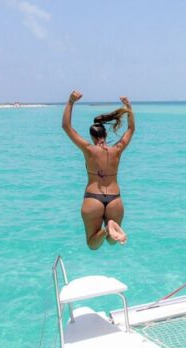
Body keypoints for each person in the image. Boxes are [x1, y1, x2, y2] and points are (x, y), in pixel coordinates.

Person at [62, 90, 135, 249]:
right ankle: (110, 226)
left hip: (93, 198)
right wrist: (128, 107)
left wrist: (71, 102)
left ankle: (107, 229)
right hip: (115, 199)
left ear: (93, 137)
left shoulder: (88, 149)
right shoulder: (117, 150)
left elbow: (66, 127)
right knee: (111, 241)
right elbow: (130, 130)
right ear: (105, 134)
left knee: (92, 244)